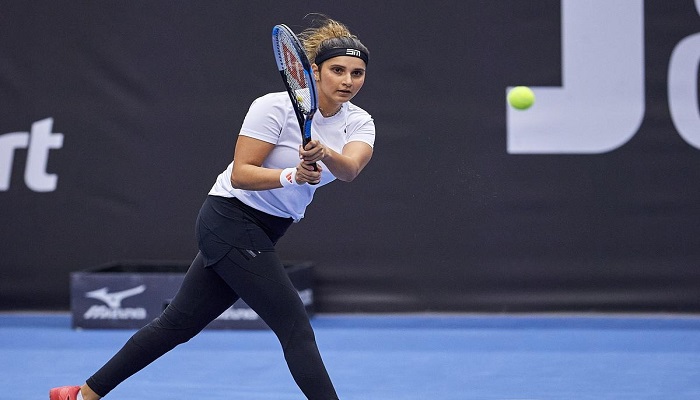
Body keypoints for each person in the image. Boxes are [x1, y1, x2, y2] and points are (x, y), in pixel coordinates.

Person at [50, 16, 373, 400]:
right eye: (338, 70)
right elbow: (241, 174)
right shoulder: (274, 107)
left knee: (178, 323)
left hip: (269, 228)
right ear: (314, 72)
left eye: (357, 73)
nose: (347, 81)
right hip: (230, 217)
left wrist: (324, 153)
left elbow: (350, 169)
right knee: (295, 327)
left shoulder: (360, 122)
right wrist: (292, 175)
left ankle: (81, 395)